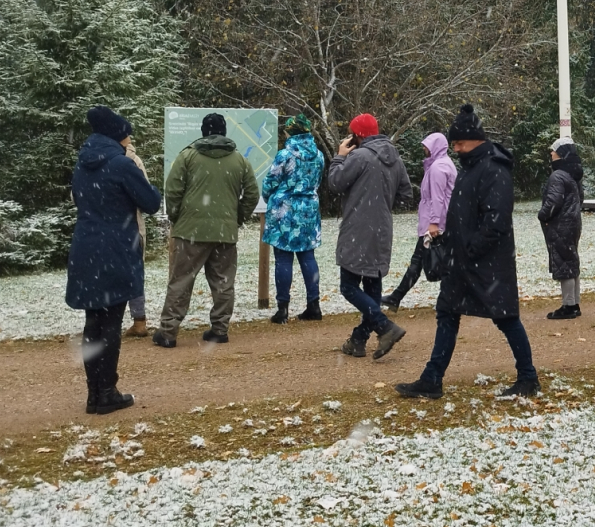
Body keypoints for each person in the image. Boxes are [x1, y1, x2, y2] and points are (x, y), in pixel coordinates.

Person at [396, 105, 540, 400]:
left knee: (506, 317)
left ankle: (528, 377)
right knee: (446, 312)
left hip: (487, 263)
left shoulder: (495, 170)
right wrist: (453, 247)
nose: (456, 149)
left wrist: (472, 248)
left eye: (459, 143)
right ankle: (432, 379)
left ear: (475, 140)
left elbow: (497, 221)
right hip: (460, 260)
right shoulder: (470, 168)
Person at [68, 106, 162, 414]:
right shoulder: (122, 165)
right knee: (111, 322)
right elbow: (150, 203)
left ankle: (94, 393)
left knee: (92, 322)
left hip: (86, 248)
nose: (128, 139)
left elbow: (79, 200)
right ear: (118, 136)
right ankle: (107, 392)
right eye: (126, 135)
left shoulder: (82, 165)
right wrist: (154, 190)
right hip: (115, 249)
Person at [153, 113, 260, 348]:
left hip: (190, 230)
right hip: (225, 231)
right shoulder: (240, 160)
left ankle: (168, 332)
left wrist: (176, 217)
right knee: (223, 282)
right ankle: (220, 329)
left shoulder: (187, 156)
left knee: (180, 280)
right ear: (224, 132)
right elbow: (252, 193)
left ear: (203, 131)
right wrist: (237, 217)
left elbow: (173, 191)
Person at [328, 113, 412, 360]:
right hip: (382, 229)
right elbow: (406, 194)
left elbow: (335, 183)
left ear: (358, 135)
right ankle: (358, 340)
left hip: (358, 228)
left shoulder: (359, 156)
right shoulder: (394, 157)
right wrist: (381, 204)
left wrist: (339, 157)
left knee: (348, 286)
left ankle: (385, 327)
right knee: (372, 286)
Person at [383, 133, 456, 311]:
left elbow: (437, 198)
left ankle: (397, 297)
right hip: (440, 221)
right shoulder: (442, 165)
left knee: (425, 261)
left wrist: (434, 223)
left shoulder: (438, 168)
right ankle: (396, 297)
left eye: (428, 146)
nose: (424, 149)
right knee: (423, 260)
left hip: (436, 224)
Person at [262, 114, 325, 323]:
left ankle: (283, 309)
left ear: (292, 131)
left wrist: (271, 198)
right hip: (308, 209)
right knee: (308, 257)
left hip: (284, 211)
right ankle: (314, 305)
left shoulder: (285, 155)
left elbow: (270, 182)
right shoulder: (319, 155)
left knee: (283, 258)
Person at [540, 138, 585, 319]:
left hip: (560, 224)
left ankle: (568, 306)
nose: (551, 154)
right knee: (571, 260)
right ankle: (574, 302)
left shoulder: (558, 176)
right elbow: (579, 198)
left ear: (561, 153)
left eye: (554, 151)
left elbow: (553, 202)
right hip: (573, 223)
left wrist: (543, 215)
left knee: (564, 263)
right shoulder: (574, 175)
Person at [122, 139, 153, 338]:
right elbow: (146, 194)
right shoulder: (133, 161)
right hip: (132, 225)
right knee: (134, 274)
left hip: (102, 229)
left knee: (106, 275)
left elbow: (76, 196)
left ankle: (104, 322)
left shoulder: (91, 159)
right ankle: (139, 320)